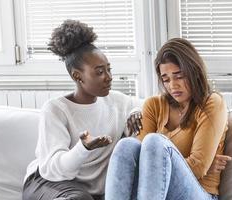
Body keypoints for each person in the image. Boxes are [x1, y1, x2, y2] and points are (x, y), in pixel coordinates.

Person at [22, 20, 143, 200]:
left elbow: (144, 105)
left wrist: (136, 112)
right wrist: (83, 148)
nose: (109, 77)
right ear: (77, 76)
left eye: (109, 70)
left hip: (88, 191)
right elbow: (53, 170)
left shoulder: (118, 102)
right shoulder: (56, 110)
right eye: (99, 72)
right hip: (49, 181)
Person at [105, 38, 232, 200]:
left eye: (179, 76)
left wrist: (168, 164)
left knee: (155, 142)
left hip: (201, 193)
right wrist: (185, 165)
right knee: (126, 145)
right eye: (166, 79)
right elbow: (144, 162)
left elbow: (199, 167)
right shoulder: (154, 105)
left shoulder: (211, 103)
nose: (173, 85)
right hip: (157, 191)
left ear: (194, 72)